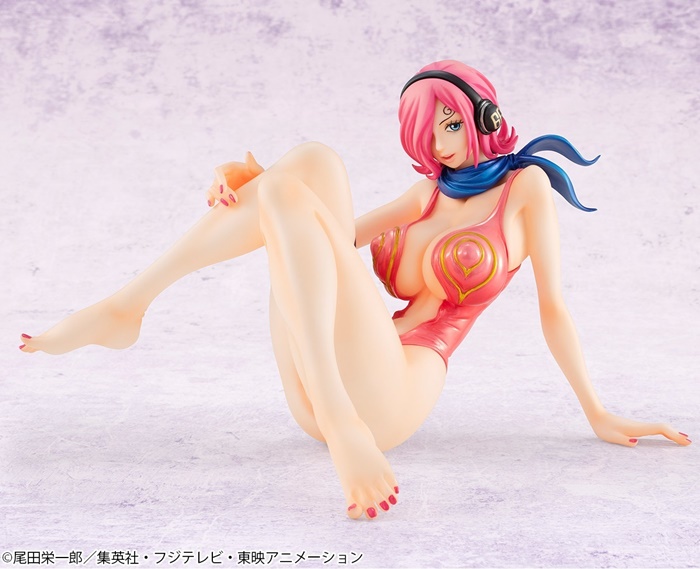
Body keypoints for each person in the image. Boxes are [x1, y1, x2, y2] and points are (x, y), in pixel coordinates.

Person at [18, 60, 691, 521]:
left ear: (484, 114)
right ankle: (129, 304)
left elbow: (554, 310)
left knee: (293, 185)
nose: (441, 145)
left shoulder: (526, 190)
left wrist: (598, 411)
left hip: (391, 398)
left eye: (450, 124)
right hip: (322, 388)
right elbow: (321, 230)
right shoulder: (426, 192)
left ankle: (132, 311)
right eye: (427, 132)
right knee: (308, 167)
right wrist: (248, 183)